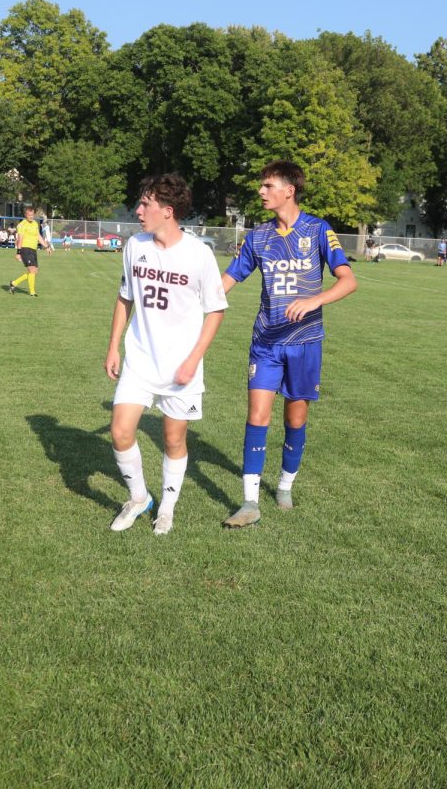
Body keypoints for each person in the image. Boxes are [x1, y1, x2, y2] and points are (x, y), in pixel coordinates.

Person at [220, 160, 358, 529]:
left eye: (267, 186)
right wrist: (194, 301)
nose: (261, 192)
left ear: (288, 190)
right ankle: (249, 502)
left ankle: (284, 485)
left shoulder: (317, 230)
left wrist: (315, 300)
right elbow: (231, 278)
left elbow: (348, 280)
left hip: (304, 342)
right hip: (265, 341)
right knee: (256, 415)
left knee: (295, 418)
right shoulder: (258, 237)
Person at [103, 174, 228, 536]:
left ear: (168, 211)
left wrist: (193, 360)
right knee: (120, 431)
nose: (138, 211)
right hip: (140, 359)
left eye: (146, 204)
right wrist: (113, 345)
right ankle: (140, 498)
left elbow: (215, 310)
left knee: (173, 440)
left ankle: (168, 507)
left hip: (180, 368)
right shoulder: (135, 246)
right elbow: (125, 297)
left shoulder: (198, 254)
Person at [7, 207, 52, 297]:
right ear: (25, 215)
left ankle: (14, 283)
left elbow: (38, 236)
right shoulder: (22, 224)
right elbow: (20, 238)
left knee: (35, 271)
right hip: (25, 249)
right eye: (29, 215)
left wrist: (46, 247)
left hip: (33, 249)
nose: (31, 217)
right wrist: (18, 252)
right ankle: (32, 292)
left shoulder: (35, 223)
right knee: (31, 269)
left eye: (32, 215)